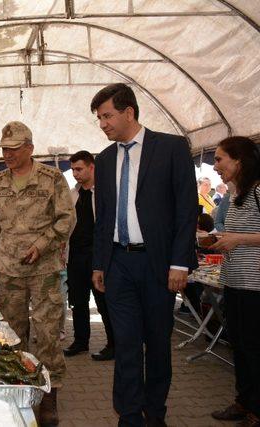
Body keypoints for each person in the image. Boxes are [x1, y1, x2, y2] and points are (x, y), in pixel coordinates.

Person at [90, 83, 198, 427]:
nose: (103, 124)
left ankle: (156, 412)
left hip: (158, 264)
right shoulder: (104, 160)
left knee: (157, 342)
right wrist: (99, 263)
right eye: (99, 118)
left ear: (129, 112)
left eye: (107, 115)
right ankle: (130, 414)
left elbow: (186, 209)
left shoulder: (171, 148)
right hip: (118, 263)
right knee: (125, 343)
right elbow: (104, 215)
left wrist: (179, 262)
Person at [0, 121, 75, 425]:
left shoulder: (52, 178)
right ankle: (18, 391)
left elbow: (66, 219)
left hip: (44, 269)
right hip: (8, 270)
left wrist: (43, 244)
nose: (7, 154)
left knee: (47, 333)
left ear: (30, 148)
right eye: (4, 149)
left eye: (14, 149)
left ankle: (49, 396)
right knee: (12, 333)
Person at [210, 136, 260, 427]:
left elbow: (243, 237)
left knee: (253, 347)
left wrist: (237, 238)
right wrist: (218, 240)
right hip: (234, 282)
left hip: (255, 286)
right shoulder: (235, 194)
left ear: (238, 160)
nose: (215, 166)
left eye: (219, 159)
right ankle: (244, 401)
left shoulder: (257, 191)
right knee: (239, 345)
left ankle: (257, 409)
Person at [63, 150, 114, 362]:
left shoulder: (104, 191)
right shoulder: (73, 194)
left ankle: (114, 344)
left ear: (91, 167)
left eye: (79, 169)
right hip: (75, 256)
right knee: (78, 301)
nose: (75, 173)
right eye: (73, 169)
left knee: (104, 302)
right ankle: (81, 341)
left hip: (98, 255)